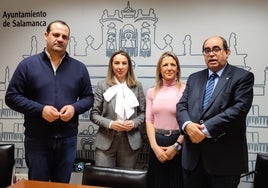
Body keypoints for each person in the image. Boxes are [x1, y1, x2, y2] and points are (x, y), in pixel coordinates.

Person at [5, 20, 94, 183]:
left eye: (64, 37)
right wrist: (40, 110)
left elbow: (89, 98)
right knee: (37, 184)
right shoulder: (27, 65)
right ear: (46, 36)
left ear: (68, 40)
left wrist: (74, 108)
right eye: (56, 34)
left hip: (68, 140)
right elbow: (11, 97)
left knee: (62, 185)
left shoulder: (79, 68)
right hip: (37, 140)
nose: (60, 39)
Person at [176, 35, 254, 188]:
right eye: (207, 50)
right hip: (193, 161)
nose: (211, 54)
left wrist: (203, 130)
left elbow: (239, 110)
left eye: (216, 49)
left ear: (227, 52)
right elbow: (181, 106)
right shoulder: (194, 78)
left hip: (224, 163)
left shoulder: (242, 77)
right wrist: (187, 126)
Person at [90, 50, 145, 168]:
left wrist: (133, 123)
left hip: (130, 143)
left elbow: (143, 113)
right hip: (105, 141)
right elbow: (94, 114)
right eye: (117, 63)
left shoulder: (137, 86)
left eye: (124, 63)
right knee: (104, 181)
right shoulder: (102, 85)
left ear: (129, 66)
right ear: (111, 65)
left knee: (125, 182)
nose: (120, 67)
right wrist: (110, 124)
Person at [146, 51, 185, 188]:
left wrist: (176, 146)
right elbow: (149, 121)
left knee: (176, 183)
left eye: (173, 64)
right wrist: (154, 147)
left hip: (178, 144)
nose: (169, 68)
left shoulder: (186, 90)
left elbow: (189, 122)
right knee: (156, 183)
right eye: (165, 65)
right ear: (160, 69)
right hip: (157, 143)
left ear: (178, 69)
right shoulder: (152, 92)